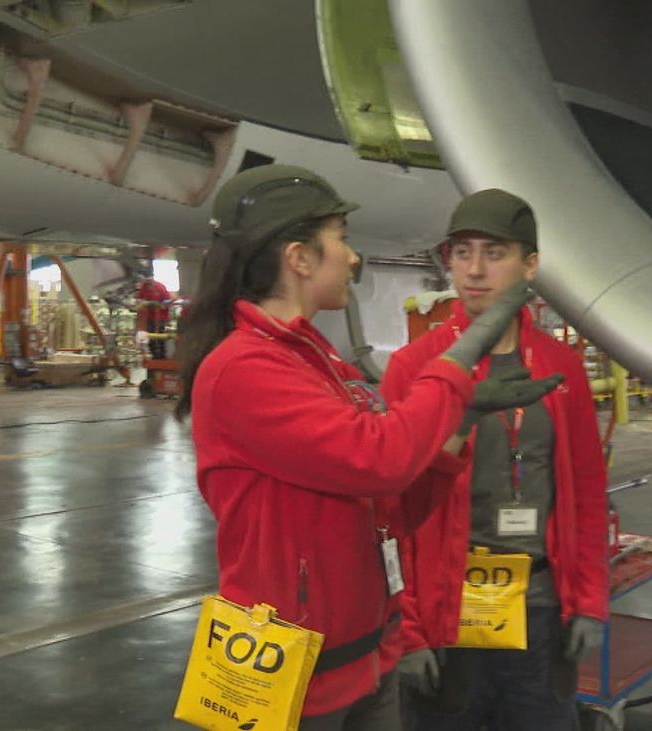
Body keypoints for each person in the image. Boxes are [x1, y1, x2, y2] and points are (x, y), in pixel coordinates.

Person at [177, 166, 562, 731]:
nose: (353, 258)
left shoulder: (319, 363)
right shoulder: (242, 369)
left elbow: (390, 503)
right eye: (341, 240)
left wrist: (459, 420)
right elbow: (379, 458)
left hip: (364, 660)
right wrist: (457, 365)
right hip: (295, 681)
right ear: (300, 258)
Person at [381, 189, 610, 730]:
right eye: (462, 253)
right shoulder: (416, 368)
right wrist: (407, 629)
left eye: (495, 252)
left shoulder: (560, 367)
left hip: (539, 611)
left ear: (530, 264)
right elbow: (392, 514)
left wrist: (591, 598)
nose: (475, 270)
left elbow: (586, 491)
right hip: (446, 613)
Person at [136, 265, 172, 360]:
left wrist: (158, 304)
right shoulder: (143, 287)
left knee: (160, 339)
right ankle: (154, 359)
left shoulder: (160, 287)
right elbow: (139, 300)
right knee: (150, 339)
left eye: (149, 280)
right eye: (146, 281)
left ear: (152, 278)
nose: (148, 283)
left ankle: (162, 359)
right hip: (149, 318)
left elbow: (168, 302)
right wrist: (143, 303)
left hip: (160, 318)